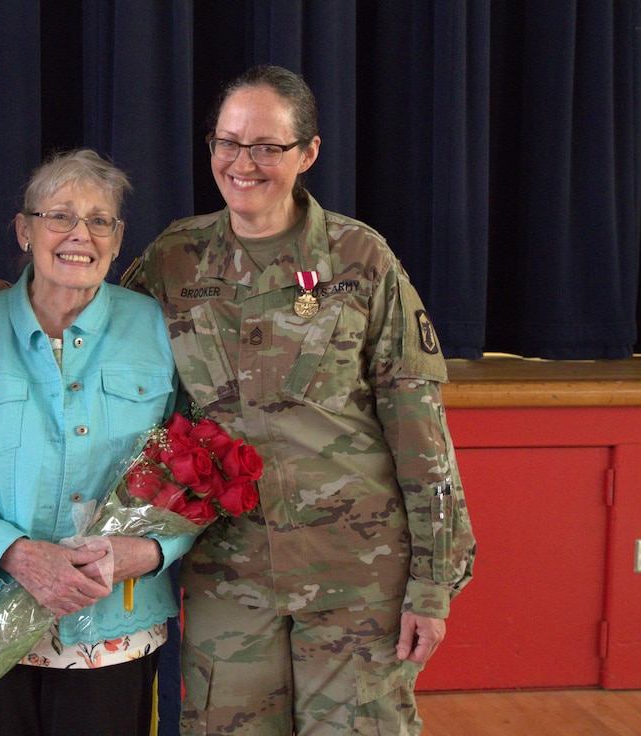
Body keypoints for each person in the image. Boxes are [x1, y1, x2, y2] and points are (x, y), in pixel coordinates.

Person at [122, 65, 476, 735]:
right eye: (227, 142)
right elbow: (103, 356)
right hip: (229, 575)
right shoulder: (173, 260)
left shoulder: (360, 259)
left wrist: (433, 585)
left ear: (307, 154)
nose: (241, 163)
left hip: (356, 576)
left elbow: (421, 435)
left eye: (266, 146)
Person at [0, 149, 193, 736]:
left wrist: (148, 553)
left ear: (118, 241)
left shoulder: (160, 329)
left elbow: (196, 472)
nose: (80, 234)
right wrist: (16, 553)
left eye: (100, 220)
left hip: (112, 623)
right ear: (24, 230)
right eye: (59, 215)